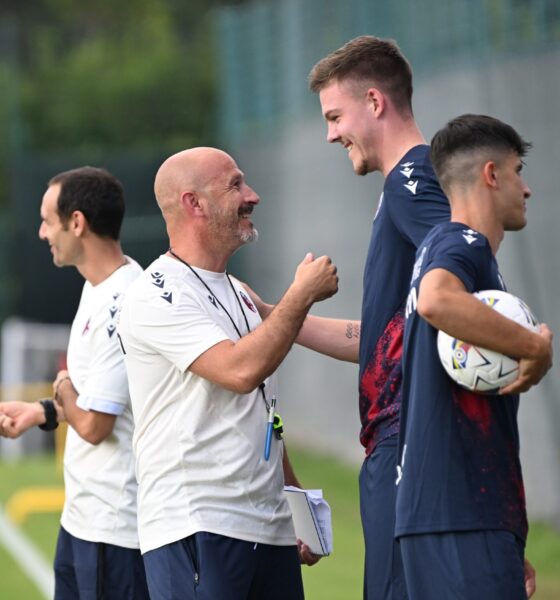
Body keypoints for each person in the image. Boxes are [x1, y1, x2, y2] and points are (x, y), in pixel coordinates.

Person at [116, 146, 338, 600]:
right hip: (198, 525)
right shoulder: (153, 295)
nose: (252, 195)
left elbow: (258, 409)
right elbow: (240, 370)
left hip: (269, 528)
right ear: (193, 203)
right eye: (235, 184)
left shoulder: (237, 290)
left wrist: (294, 504)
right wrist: (301, 294)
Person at [395, 114, 552, 599]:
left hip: (457, 516)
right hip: (461, 512)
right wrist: (534, 348)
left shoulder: (446, 250)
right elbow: (436, 300)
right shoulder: (459, 241)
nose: (526, 188)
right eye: (518, 170)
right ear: (491, 174)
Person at [0, 167, 149, 600]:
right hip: (83, 520)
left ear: (77, 222)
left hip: (115, 532)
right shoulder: (97, 287)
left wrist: (62, 387)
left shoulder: (124, 302)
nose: (42, 232)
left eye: (48, 220)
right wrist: (42, 411)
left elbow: (95, 425)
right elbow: (97, 399)